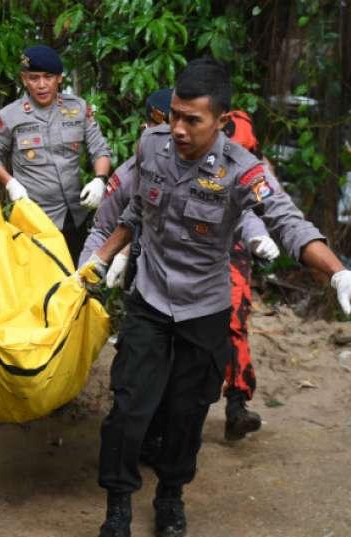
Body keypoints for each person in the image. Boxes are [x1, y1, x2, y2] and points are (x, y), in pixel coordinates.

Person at [80, 58, 351, 537]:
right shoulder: (150, 146)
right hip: (150, 303)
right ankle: (117, 504)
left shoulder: (244, 170)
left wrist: (339, 275)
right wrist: (102, 258)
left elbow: (287, 222)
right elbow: (135, 210)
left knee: (187, 413)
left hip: (204, 309)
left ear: (222, 122)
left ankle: (170, 497)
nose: (177, 128)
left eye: (191, 120)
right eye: (174, 114)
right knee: (129, 409)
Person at [79, 94, 276, 446]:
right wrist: (90, 271)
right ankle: (141, 435)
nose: (177, 133)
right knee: (143, 361)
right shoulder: (136, 168)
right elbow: (107, 224)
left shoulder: (228, 162)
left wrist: (261, 235)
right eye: (169, 123)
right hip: (153, 279)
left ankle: (232, 404)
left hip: (214, 270)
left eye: (189, 123)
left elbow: (258, 198)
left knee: (225, 331)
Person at [0, 44, 112, 264]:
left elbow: (99, 148)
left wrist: (100, 179)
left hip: (76, 215)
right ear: (24, 79)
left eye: (48, 77)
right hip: (35, 218)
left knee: (78, 277)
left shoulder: (78, 108)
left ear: (59, 78)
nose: (41, 85)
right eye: (34, 78)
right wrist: (10, 183)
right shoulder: (8, 116)